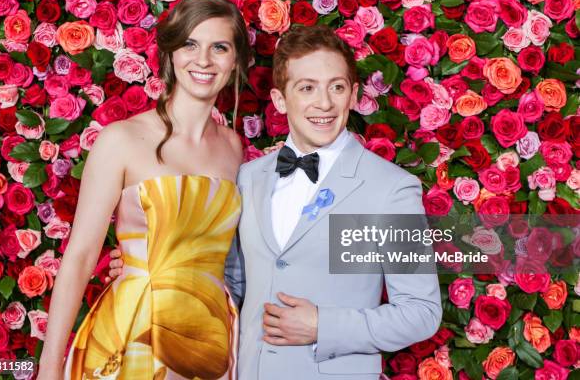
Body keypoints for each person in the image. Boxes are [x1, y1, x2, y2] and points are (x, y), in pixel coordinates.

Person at [109, 25, 442, 379]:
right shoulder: (249, 178)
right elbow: (232, 285)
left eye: (337, 87)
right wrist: (157, 267)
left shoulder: (390, 189)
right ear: (281, 100)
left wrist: (323, 326)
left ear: (354, 94)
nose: (324, 103)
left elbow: (421, 312)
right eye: (307, 88)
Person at [37, 0, 251, 380]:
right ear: (170, 53)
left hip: (208, 340)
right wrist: (50, 367)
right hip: (132, 333)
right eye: (190, 44)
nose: (203, 60)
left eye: (219, 47)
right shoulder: (122, 139)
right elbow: (81, 256)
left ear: (235, 61)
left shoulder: (234, 148)